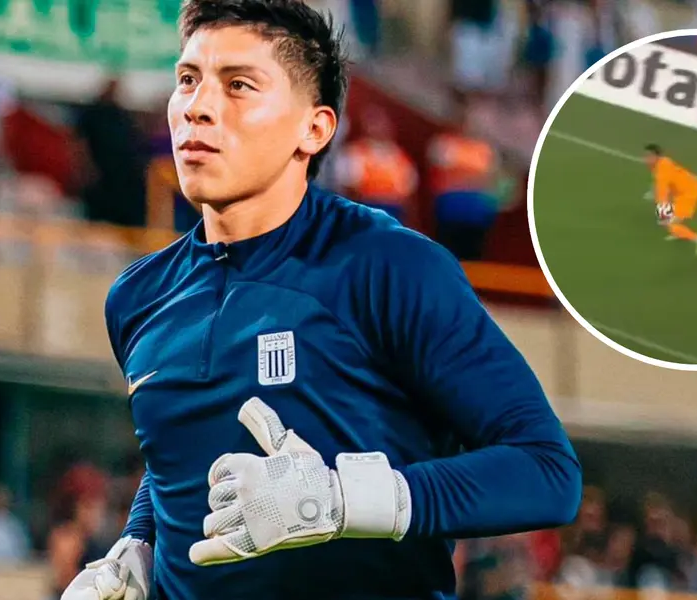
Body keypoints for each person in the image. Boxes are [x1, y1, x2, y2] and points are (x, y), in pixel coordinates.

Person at [61, 1, 581, 599]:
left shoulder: (389, 268)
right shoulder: (137, 298)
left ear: (315, 127)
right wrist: (137, 547)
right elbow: (175, 454)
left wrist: (342, 500)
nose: (197, 107)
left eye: (238, 85)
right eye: (187, 80)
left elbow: (547, 471)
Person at [645, 144, 697, 257]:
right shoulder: (662, 162)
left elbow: (662, 195)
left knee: (671, 224)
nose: (646, 159)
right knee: (670, 222)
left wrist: (663, 216)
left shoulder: (663, 170)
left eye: (649, 156)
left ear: (656, 157)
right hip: (682, 190)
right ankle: (678, 232)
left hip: (689, 193)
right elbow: (659, 184)